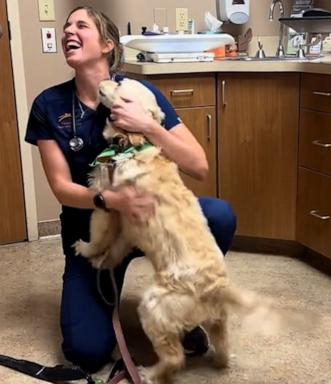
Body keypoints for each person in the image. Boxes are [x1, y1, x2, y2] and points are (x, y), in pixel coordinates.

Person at [25, 6, 236, 373]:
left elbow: (198, 165)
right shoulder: (48, 105)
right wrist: (111, 200)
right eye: (65, 28)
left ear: (107, 44)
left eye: (80, 25)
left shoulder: (140, 93)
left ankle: (184, 311)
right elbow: (61, 188)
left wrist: (149, 127)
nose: (67, 32)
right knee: (86, 353)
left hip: (151, 220)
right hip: (95, 229)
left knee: (218, 215)